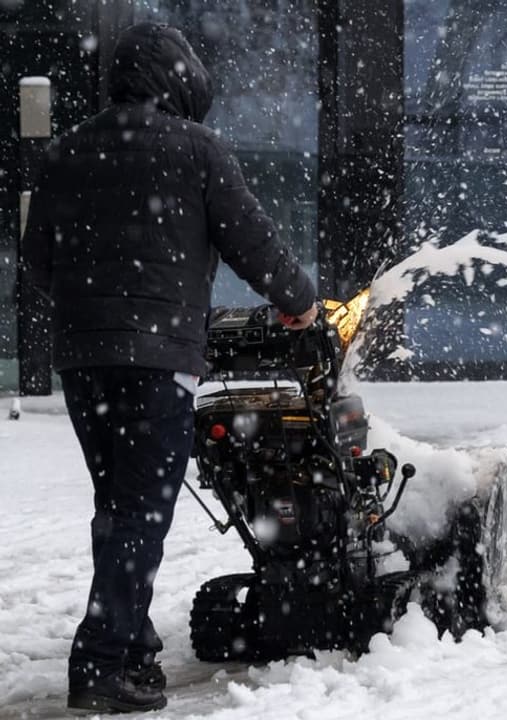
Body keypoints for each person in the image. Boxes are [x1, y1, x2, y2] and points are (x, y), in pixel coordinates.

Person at [20, 23, 318, 713]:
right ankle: (98, 666)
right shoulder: (197, 149)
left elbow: (38, 262)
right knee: (142, 512)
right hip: (157, 360)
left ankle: (135, 651)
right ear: (179, 81)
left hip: (86, 361)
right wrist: (299, 301)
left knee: (117, 506)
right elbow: (251, 238)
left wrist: (92, 310)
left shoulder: (67, 152)